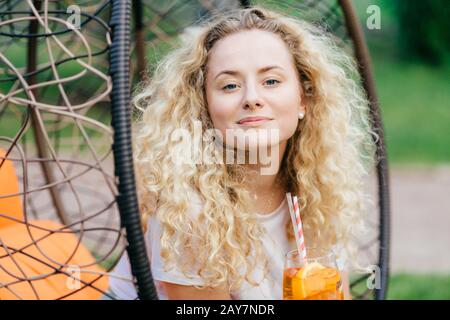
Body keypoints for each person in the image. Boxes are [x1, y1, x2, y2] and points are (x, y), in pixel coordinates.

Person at [107, 5, 377, 300]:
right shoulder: (188, 209)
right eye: (230, 85)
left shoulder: (319, 193)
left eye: (271, 81)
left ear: (304, 99)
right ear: (204, 107)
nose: (252, 98)